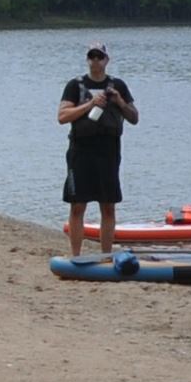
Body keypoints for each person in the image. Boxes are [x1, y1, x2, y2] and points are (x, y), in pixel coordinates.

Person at [57, 45, 138, 256]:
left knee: (108, 206)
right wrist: (91, 103)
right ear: (87, 60)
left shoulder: (118, 85)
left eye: (99, 57)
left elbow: (134, 118)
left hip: (108, 153)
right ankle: (76, 255)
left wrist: (119, 101)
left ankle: (106, 255)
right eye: (91, 57)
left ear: (106, 60)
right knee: (77, 206)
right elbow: (62, 116)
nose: (95, 61)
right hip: (80, 152)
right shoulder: (75, 85)